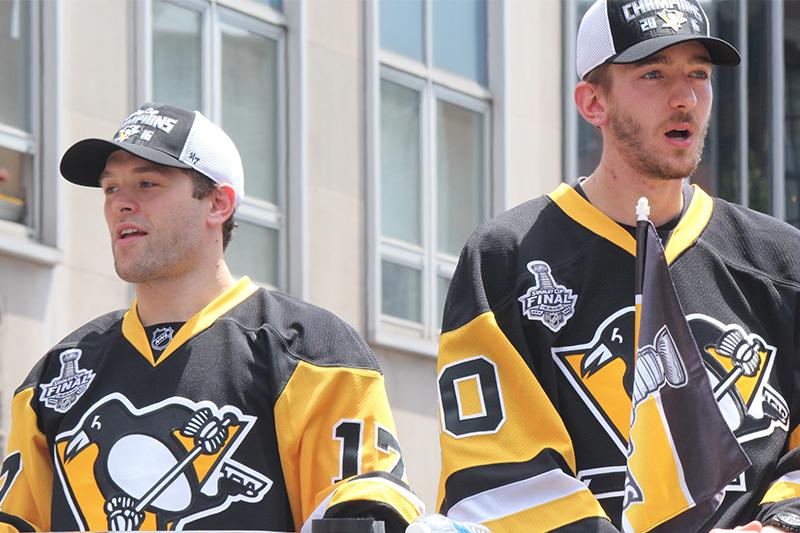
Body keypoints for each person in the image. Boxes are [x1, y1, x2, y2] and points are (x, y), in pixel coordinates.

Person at [435, 0, 800, 531]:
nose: (685, 97)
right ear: (592, 102)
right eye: (653, 73)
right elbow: (494, 467)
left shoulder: (781, 261)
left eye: (698, 74)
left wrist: (783, 523)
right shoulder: (506, 259)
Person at [0, 103, 423, 533]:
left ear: (218, 204)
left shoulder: (313, 351)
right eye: (110, 189)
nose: (121, 205)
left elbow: (361, 514)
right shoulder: (58, 374)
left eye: (147, 183)